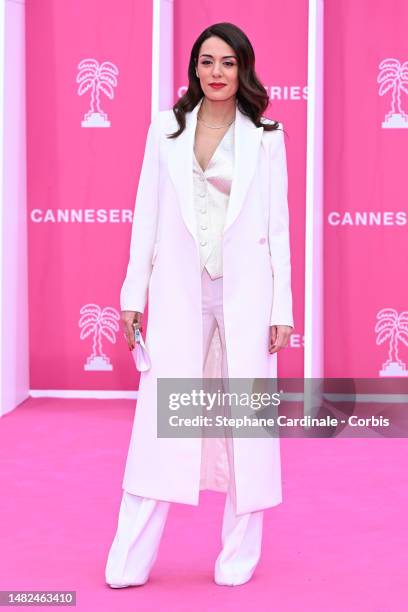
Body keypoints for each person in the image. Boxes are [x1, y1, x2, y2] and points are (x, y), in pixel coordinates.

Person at [105, 21, 294, 588]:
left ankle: (238, 558)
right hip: (178, 293)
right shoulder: (165, 131)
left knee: (247, 430)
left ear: (244, 70)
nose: (216, 73)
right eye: (207, 62)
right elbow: (146, 217)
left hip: (247, 294)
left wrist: (281, 308)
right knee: (159, 425)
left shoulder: (267, 135)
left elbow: (277, 229)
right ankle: (129, 560)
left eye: (228, 63)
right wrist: (131, 296)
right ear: (195, 68)